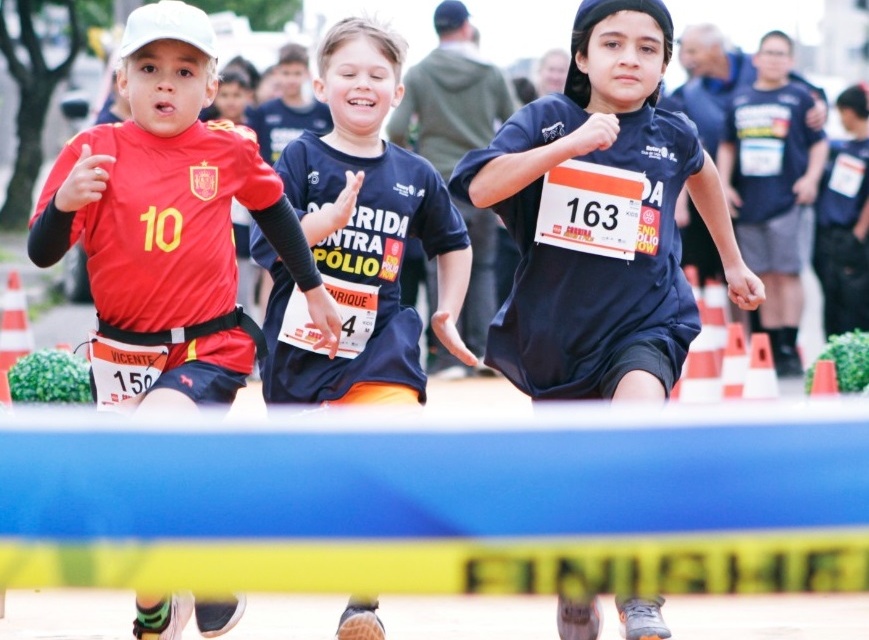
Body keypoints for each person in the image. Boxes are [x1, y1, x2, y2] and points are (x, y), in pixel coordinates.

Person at [27, 1, 357, 638]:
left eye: (185, 71)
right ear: (122, 80)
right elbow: (43, 252)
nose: (166, 84)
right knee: (132, 487)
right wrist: (64, 204)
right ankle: (166, 597)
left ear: (210, 87)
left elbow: (274, 210)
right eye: (149, 68)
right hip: (120, 355)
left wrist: (314, 288)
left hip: (207, 348)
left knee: (154, 444)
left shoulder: (227, 148)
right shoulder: (92, 150)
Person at [448, 0, 764, 638]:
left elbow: (702, 175)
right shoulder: (547, 118)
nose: (630, 58)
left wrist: (733, 262)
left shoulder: (674, 132)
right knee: (578, 473)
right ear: (582, 57)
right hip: (557, 334)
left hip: (647, 322)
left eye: (648, 48)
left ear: (665, 65)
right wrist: (571, 145)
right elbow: (480, 189)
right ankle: (576, 579)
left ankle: (640, 594)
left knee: (635, 440)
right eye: (613, 44)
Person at [249, 15, 475, 640]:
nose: (363, 84)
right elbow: (266, 244)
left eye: (378, 75)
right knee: (313, 485)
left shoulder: (415, 173)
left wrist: (447, 310)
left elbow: (454, 242)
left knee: (389, 448)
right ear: (322, 86)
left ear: (398, 92)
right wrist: (322, 224)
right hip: (301, 347)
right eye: (348, 73)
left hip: (383, 344)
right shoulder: (298, 158)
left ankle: (362, 604)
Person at [386, 0, 517, 380]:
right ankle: (486, 353)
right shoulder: (491, 72)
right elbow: (516, 122)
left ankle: (449, 358)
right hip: (483, 182)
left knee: (440, 270)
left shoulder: (421, 72)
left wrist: (414, 160)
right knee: (484, 267)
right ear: (465, 27)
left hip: (438, 184)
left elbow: (396, 127)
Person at [668, 23, 827, 287]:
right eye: (684, 52)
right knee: (731, 268)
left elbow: (811, 94)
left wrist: (820, 106)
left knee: (782, 271)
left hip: (772, 191)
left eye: (693, 51)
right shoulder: (688, 92)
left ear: (715, 49)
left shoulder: (757, 65)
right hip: (723, 191)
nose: (686, 59)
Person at [716, 30, 828, 378]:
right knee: (762, 274)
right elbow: (727, 146)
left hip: (788, 202)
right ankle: (772, 346)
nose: (775, 59)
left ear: (791, 61)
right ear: (757, 59)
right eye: (769, 52)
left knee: (787, 273)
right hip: (750, 202)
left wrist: (811, 179)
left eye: (782, 54)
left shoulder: (800, 97)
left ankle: (789, 347)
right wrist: (723, 185)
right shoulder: (739, 99)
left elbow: (820, 143)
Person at [813, 84, 869, 338]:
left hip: (854, 238)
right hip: (829, 236)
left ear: (848, 112)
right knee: (832, 304)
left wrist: (858, 233)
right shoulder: (841, 148)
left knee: (854, 307)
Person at [246, 42, 333, 165]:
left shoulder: (324, 113)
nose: (291, 80)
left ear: (307, 74)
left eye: (297, 73)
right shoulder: (264, 112)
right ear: (277, 73)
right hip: (273, 176)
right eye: (286, 73)